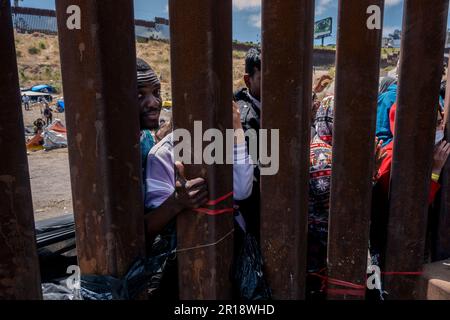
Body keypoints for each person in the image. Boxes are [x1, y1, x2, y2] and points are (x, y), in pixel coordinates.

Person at [233, 47, 262, 239]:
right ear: (247, 79)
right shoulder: (246, 120)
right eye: (264, 78)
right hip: (255, 219)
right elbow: (254, 177)